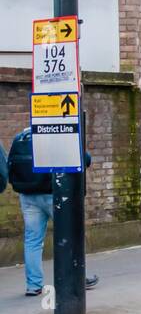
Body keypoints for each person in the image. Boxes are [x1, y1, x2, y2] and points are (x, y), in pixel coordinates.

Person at [6, 127, 98, 296]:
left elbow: (10, 165)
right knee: (71, 236)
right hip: (54, 194)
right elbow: (85, 159)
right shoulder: (56, 133)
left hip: (28, 196)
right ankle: (77, 277)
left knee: (32, 241)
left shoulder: (20, 136)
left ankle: (33, 285)